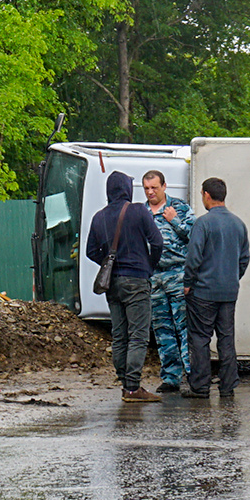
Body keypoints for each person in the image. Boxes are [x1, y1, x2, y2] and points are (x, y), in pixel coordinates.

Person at [85, 171, 163, 403]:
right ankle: (132, 388)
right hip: (137, 280)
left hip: (113, 284)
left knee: (119, 336)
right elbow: (157, 242)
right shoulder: (138, 210)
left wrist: (109, 263)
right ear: (127, 189)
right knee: (138, 335)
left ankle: (125, 384)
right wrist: (148, 266)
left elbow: (90, 251)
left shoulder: (99, 217)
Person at [184, 177, 250, 399]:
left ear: (206, 195)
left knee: (200, 338)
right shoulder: (238, 224)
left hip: (203, 291)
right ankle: (228, 385)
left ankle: (200, 387)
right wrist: (232, 277)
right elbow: (244, 259)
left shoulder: (203, 224)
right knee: (226, 338)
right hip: (229, 291)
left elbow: (193, 257)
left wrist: (188, 282)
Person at [140, 170, 192, 394]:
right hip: (154, 277)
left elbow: (195, 236)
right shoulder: (140, 212)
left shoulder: (179, 208)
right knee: (162, 329)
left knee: (185, 327)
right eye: (147, 189)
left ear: (164, 186)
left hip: (178, 274)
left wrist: (175, 221)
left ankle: (193, 375)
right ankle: (171, 377)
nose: (151, 192)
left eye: (155, 188)